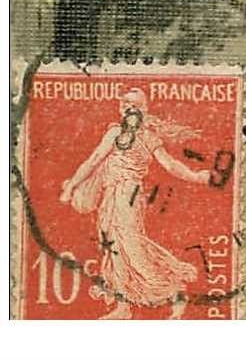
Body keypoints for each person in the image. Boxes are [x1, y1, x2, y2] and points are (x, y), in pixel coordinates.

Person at [59, 88, 214, 318]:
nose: (128, 108)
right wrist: (72, 186)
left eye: (133, 104)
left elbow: (170, 166)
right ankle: (123, 306)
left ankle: (174, 293)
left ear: (143, 109)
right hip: (110, 195)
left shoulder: (150, 138)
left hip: (129, 194)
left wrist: (196, 177)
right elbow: (93, 161)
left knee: (131, 248)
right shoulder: (114, 133)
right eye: (124, 104)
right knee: (114, 249)